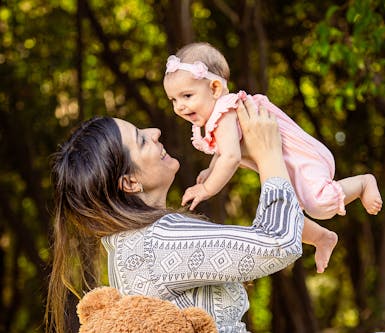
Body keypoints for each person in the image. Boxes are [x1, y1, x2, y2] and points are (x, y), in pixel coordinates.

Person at [45, 99, 306, 333]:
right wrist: (268, 153)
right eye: (141, 140)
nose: (155, 132)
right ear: (130, 182)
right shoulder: (159, 240)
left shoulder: (125, 246)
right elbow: (278, 243)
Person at [163, 42, 382, 273]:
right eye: (174, 100)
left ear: (215, 89)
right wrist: (210, 170)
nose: (180, 106)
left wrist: (207, 189)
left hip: (303, 158)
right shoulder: (219, 116)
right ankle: (322, 238)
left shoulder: (225, 111)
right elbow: (223, 151)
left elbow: (231, 157)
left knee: (319, 206)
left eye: (186, 96)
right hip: (286, 167)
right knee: (288, 216)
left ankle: (363, 183)